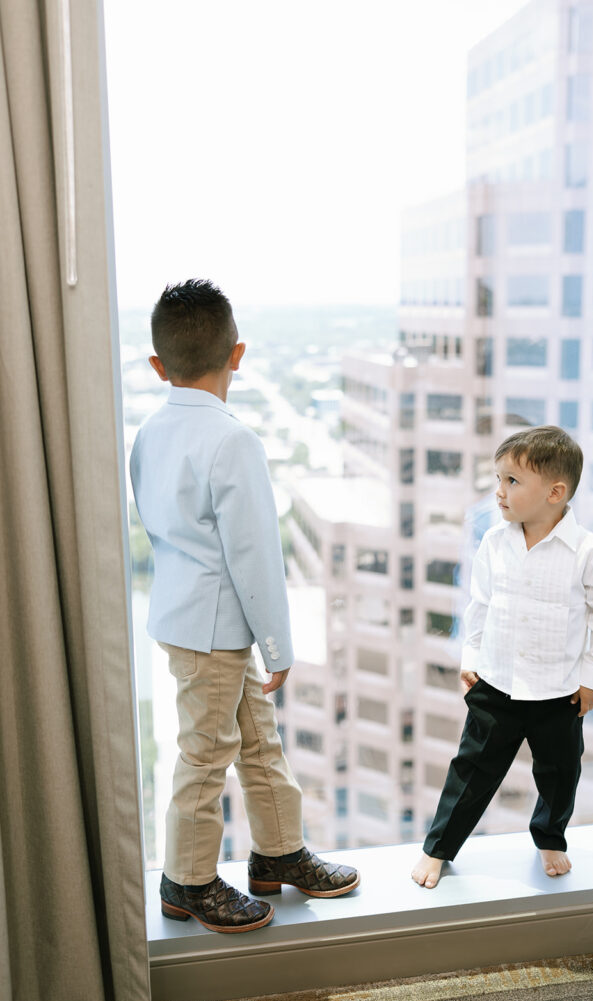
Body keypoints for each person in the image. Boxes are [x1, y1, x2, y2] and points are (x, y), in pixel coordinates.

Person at [130, 279, 359, 933]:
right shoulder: (234, 441)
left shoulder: (149, 431)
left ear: (157, 364)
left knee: (258, 742)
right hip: (215, 629)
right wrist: (279, 648)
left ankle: (278, 853)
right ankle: (188, 883)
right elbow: (255, 559)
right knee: (206, 755)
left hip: (184, 615)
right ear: (239, 354)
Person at [412, 425, 593, 888]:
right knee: (471, 770)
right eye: (498, 479)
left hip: (560, 690)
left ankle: (550, 836)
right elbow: (480, 604)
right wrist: (471, 656)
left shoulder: (590, 552)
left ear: (555, 492)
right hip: (496, 682)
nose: (499, 491)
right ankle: (439, 848)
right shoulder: (493, 541)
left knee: (559, 772)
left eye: (512, 481)